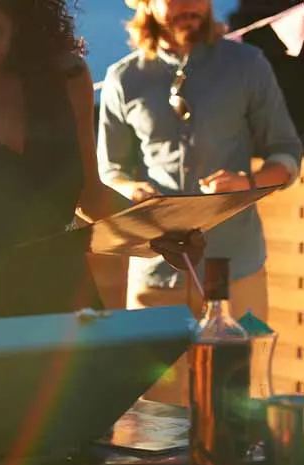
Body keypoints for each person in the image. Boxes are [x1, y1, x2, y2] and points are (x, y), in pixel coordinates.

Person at [0, 0, 202, 354]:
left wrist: (161, 233)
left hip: (68, 311)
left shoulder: (67, 79)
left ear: (20, 22)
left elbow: (89, 197)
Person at [99, 0, 302, 404]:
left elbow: (286, 154)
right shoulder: (122, 78)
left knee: (237, 407)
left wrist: (246, 181)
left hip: (236, 270)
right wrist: (133, 191)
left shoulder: (249, 64)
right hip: (155, 274)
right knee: (156, 412)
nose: (189, 4)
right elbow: (111, 171)